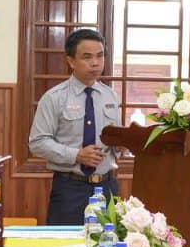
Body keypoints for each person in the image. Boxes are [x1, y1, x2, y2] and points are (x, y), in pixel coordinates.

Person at [28, 27, 122, 224]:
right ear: (71, 61)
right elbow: (37, 142)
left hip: (107, 187)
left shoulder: (110, 96)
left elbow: (116, 140)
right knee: (65, 243)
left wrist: (122, 145)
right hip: (70, 189)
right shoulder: (54, 97)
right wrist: (76, 155)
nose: (95, 62)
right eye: (87, 57)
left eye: (100, 56)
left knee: (108, 242)